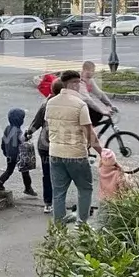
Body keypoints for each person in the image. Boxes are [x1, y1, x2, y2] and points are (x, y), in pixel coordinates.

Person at [46, 70, 102, 223]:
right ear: (73, 84)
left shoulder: (50, 102)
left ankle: (58, 227)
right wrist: (102, 153)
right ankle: (81, 224)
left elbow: (50, 126)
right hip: (76, 154)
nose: (80, 86)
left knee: (58, 191)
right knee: (85, 188)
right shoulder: (80, 105)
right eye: (78, 83)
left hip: (55, 153)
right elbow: (90, 134)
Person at [26, 78, 62, 214]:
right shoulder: (66, 105)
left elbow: (36, 123)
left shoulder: (45, 104)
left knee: (47, 174)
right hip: (58, 145)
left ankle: (48, 203)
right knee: (61, 174)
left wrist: (28, 133)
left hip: (44, 146)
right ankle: (58, 201)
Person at [0, 108, 36, 195]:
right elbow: (22, 140)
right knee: (25, 171)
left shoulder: (7, 129)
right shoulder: (18, 131)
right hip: (18, 155)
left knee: (9, 170)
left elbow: (3, 141)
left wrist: (5, 151)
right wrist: (28, 136)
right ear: (19, 120)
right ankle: (28, 188)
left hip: (9, 154)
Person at [78, 61, 117, 128]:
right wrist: (102, 111)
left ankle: (89, 131)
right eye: (90, 71)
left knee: (97, 115)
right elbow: (87, 99)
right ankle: (87, 132)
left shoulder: (90, 80)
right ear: (84, 70)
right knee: (96, 114)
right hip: (75, 106)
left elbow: (99, 94)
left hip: (82, 105)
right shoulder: (79, 81)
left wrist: (110, 105)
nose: (92, 73)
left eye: (93, 71)